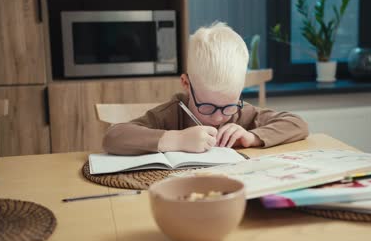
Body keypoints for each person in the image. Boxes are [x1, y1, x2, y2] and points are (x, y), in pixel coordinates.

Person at [103, 22, 308, 155]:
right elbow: (113, 137)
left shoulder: (241, 113)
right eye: (208, 107)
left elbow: (297, 124)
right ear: (186, 83)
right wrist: (177, 139)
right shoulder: (170, 115)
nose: (219, 117)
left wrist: (252, 137)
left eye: (228, 106)